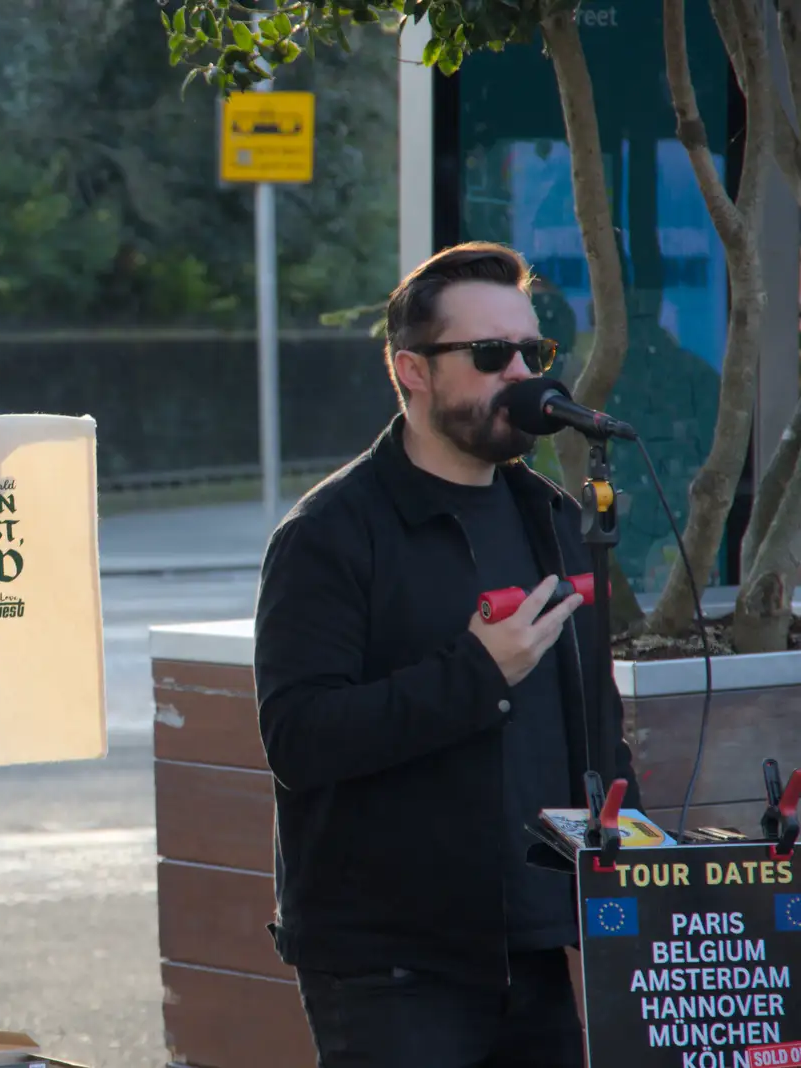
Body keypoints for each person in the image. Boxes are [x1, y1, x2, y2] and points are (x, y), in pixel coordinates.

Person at [253, 242, 640, 1067]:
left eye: (532, 352)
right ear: (413, 372)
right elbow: (299, 737)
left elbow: (594, 726)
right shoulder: (329, 533)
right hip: (389, 964)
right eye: (491, 354)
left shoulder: (555, 519)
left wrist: (642, 876)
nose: (524, 375)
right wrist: (475, 675)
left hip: (534, 944)